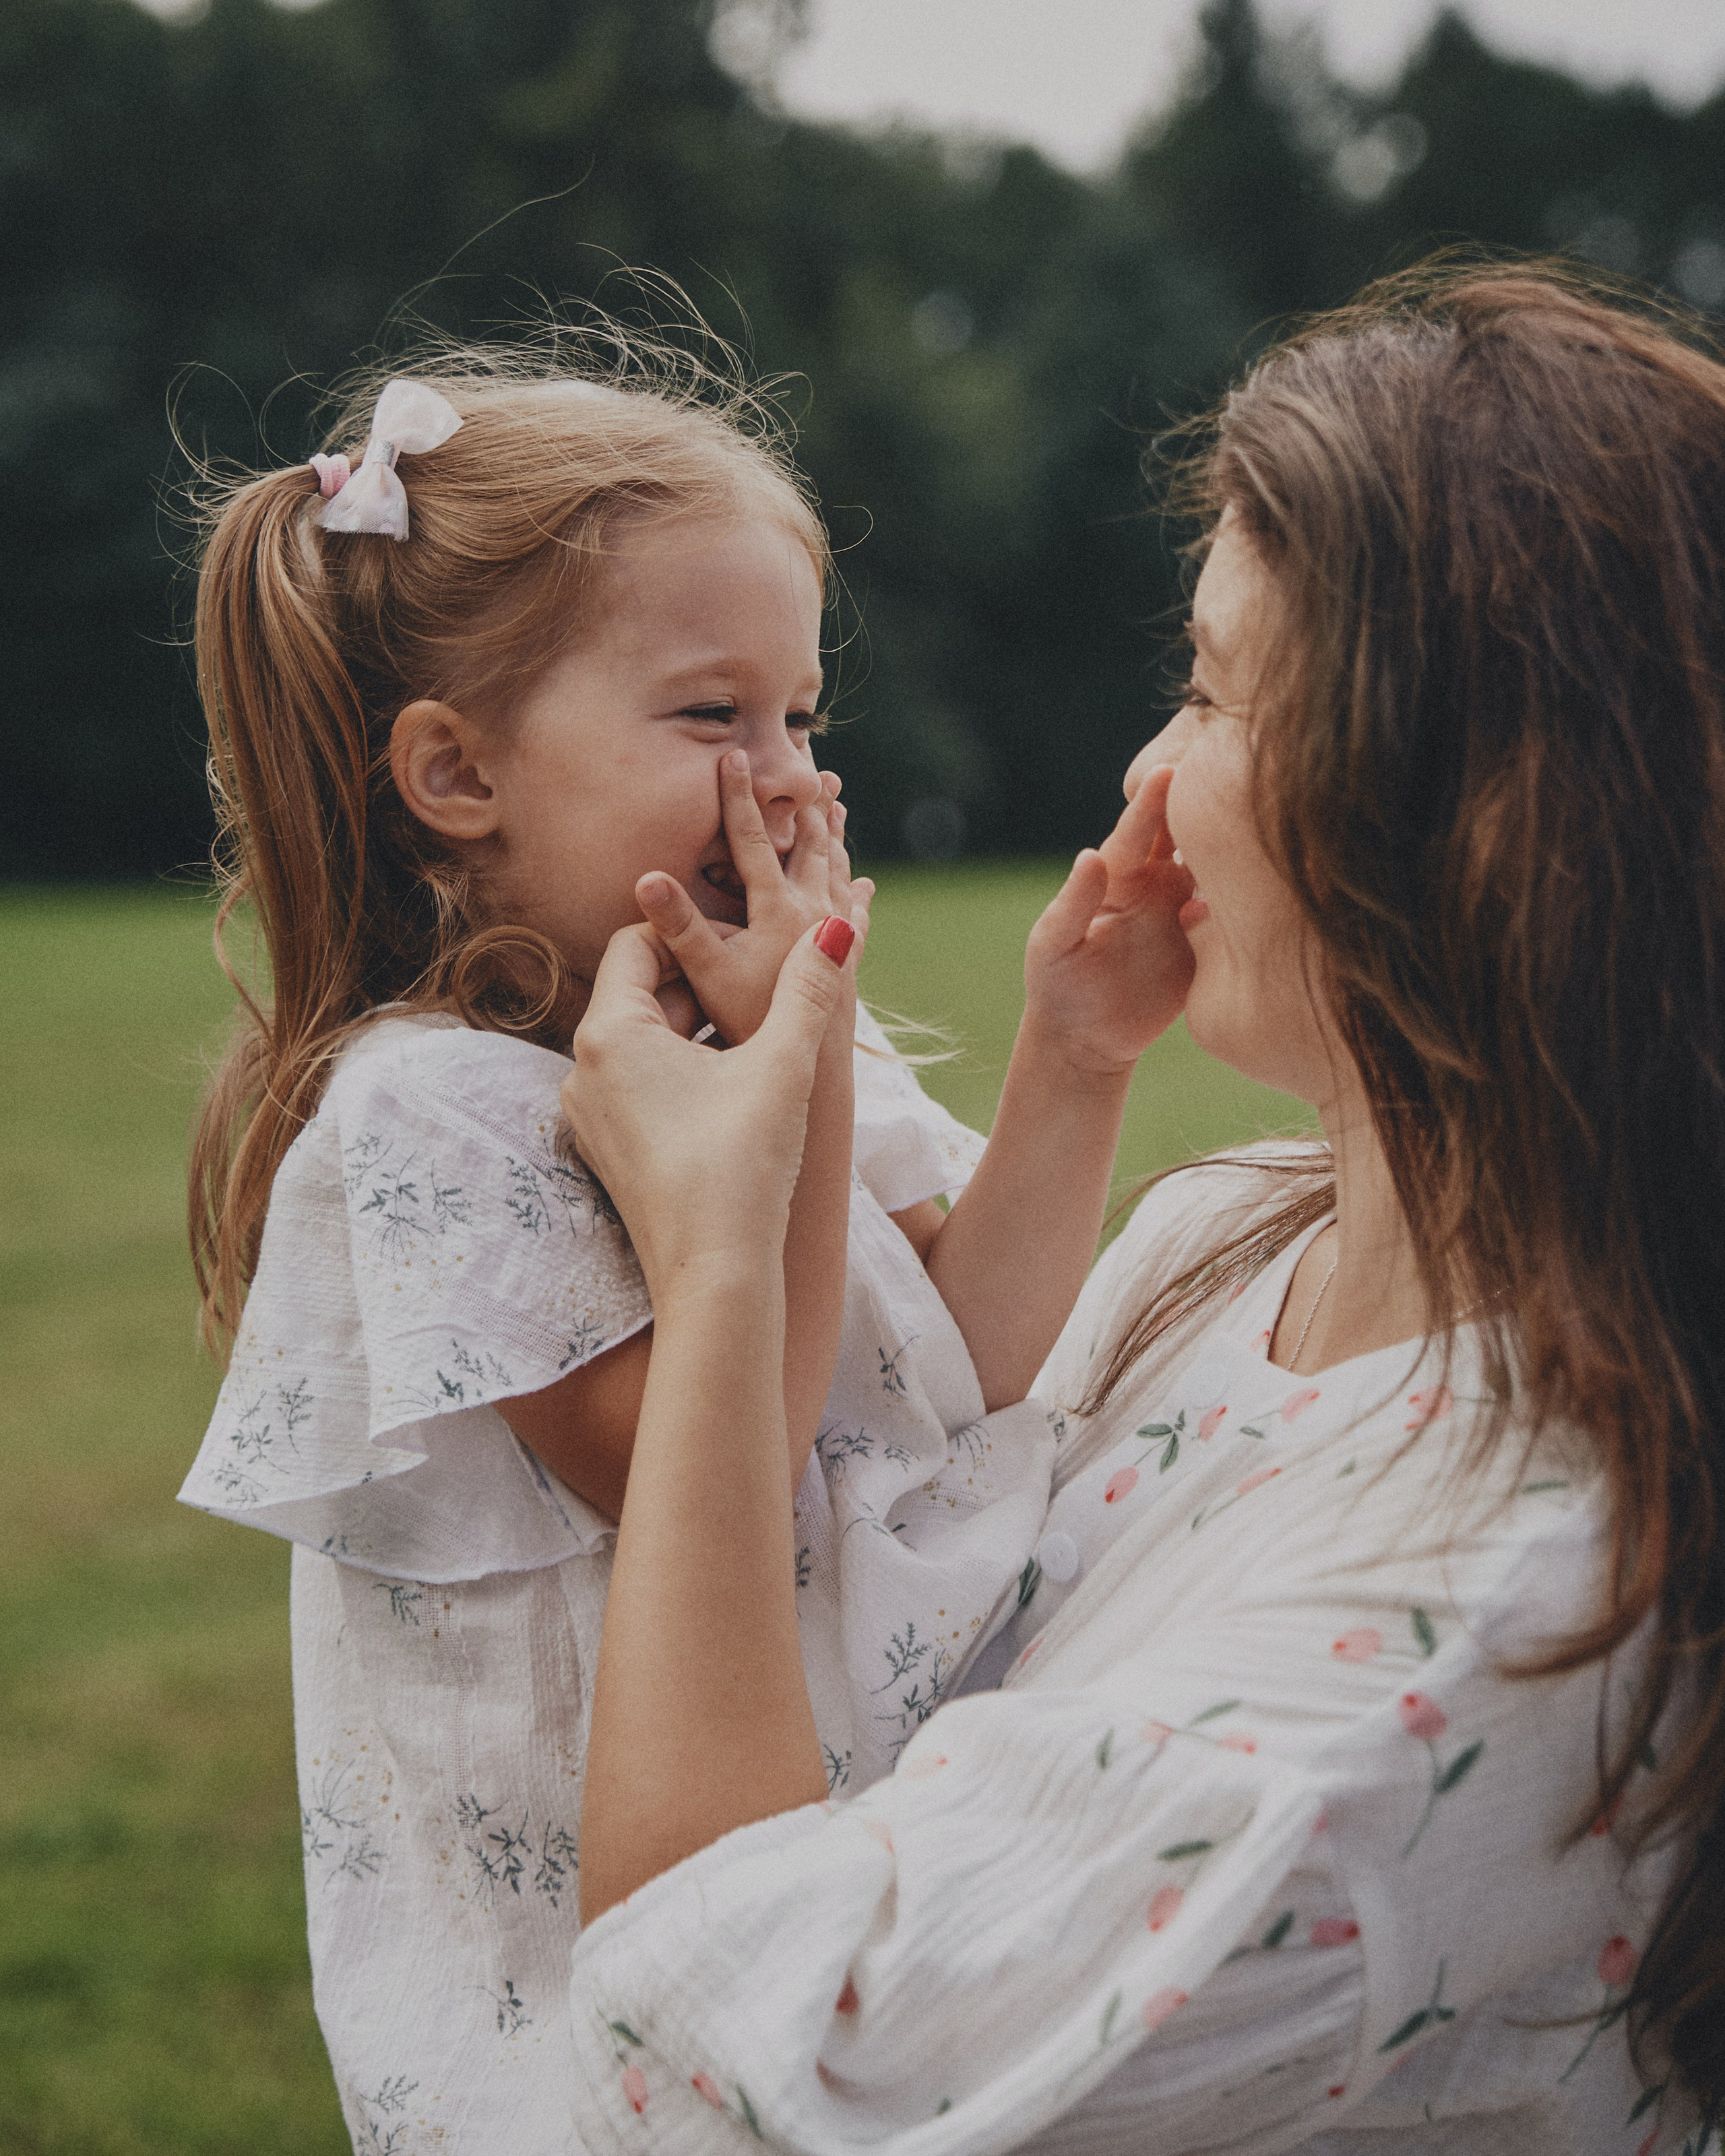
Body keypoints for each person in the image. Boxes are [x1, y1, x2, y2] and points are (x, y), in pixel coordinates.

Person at [557, 268, 1725, 2156]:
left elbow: (709, 2052)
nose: (1147, 779)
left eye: (1216, 691)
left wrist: (713, 1266)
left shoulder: (1497, 1619)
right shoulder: (1236, 1231)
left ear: (1484, 822)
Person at [175, 342, 1178, 2149]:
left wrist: (1076, 1054)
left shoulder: (773, 1025)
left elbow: (968, 1359)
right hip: (598, 1974)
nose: (784, 783)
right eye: (715, 719)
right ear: (457, 773)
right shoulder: (431, 1114)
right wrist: (782, 1108)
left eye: (801, 719)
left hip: (843, 1863)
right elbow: (691, 1465)